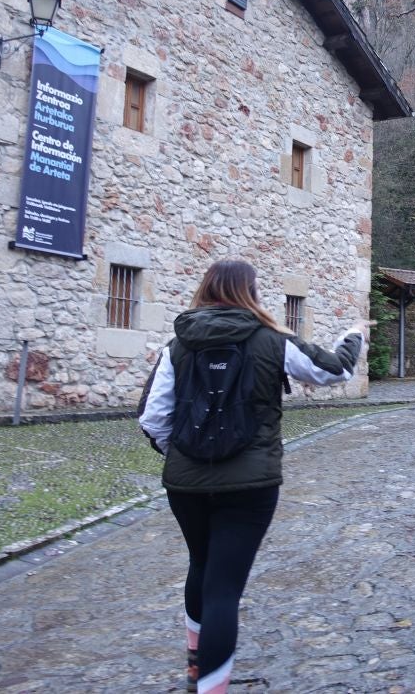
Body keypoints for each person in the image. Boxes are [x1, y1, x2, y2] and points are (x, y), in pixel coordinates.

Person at [139, 259, 368, 694]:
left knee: (201, 566)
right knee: (224, 587)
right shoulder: (271, 340)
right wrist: (353, 335)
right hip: (251, 485)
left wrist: (184, 456)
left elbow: (153, 418)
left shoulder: (178, 345)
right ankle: (211, 687)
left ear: (205, 288)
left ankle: (196, 662)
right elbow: (333, 371)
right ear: (251, 291)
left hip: (185, 484)